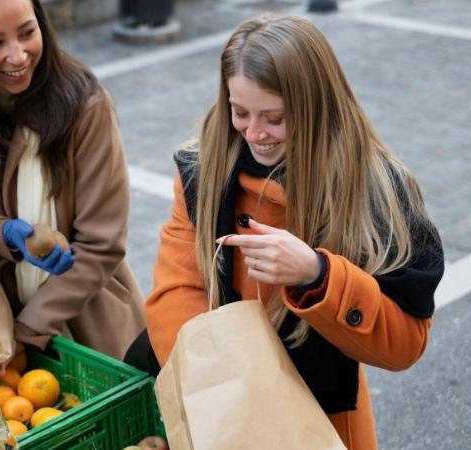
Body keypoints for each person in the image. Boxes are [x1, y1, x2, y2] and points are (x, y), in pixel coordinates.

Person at [129, 14, 444, 449]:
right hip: (223, 412)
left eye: (274, 118)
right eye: (240, 112)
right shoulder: (200, 170)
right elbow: (176, 293)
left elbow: (405, 343)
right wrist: (226, 388)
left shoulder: (376, 189)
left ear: (314, 107)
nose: (254, 133)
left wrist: (317, 276)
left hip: (322, 415)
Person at [0, 0, 145, 361]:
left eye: (27, 33)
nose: (18, 56)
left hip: (83, 325)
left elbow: (102, 245)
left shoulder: (84, 104)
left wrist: (26, 330)